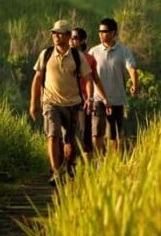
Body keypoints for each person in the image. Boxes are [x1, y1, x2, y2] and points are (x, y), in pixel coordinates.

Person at [29, 20, 111, 184]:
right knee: (52, 135)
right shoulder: (46, 54)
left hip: (73, 104)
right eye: (53, 33)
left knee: (71, 143)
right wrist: (33, 103)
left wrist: (88, 97)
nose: (56, 36)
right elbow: (37, 78)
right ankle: (55, 171)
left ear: (67, 35)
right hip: (50, 102)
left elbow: (89, 79)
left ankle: (67, 167)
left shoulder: (77, 56)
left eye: (59, 33)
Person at [89, 18, 139, 154]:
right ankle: (99, 160)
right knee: (96, 133)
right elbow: (87, 75)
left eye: (104, 31)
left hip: (117, 99)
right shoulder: (93, 52)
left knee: (114, 135)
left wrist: (135, 84)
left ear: (113, 32)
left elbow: (132, 69)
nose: (101, 34)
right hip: (98, 98)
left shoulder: (123, 51)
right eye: (99, 31)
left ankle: (112, 162)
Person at [69, 27, 106, 155]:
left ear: (82, 40)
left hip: (83, 101)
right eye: (70, 38)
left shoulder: (89, 59)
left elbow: (94, 80)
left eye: (75, 38)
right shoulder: (63, 57)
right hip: (65, 100)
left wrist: (101, 98)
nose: (71, 41)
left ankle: (86, 167)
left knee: (84, 134)